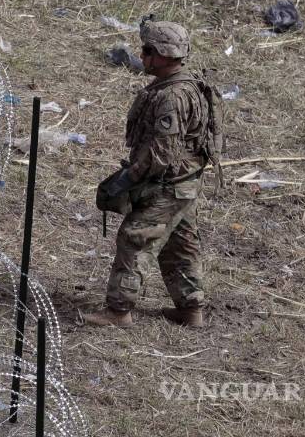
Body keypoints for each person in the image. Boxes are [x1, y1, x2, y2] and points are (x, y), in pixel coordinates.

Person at [84, 18, 222, 329]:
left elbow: (163, 153)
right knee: (180, 244)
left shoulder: (172, 97)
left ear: (162, 54)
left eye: (146, 50)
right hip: (186, 182)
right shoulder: (187, 85)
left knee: (134, 239)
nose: (142, 56)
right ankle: (191, 310)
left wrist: (128, 179)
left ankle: (118, 311)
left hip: (168, 184)